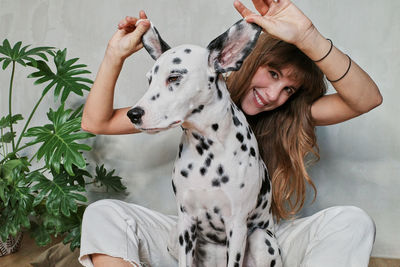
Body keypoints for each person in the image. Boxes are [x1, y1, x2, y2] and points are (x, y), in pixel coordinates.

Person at [79, 0, 382, 266]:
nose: (274, 93)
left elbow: (367, 99)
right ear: (240, 56)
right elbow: (96, 122)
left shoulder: (290, 112)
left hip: (261, 241)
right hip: (193, 238)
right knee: (102, 214)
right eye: (272, 74)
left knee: (352, 222)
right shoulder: (194, 93)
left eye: (288, 88)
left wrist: (308, 37)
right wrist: (114, 55)